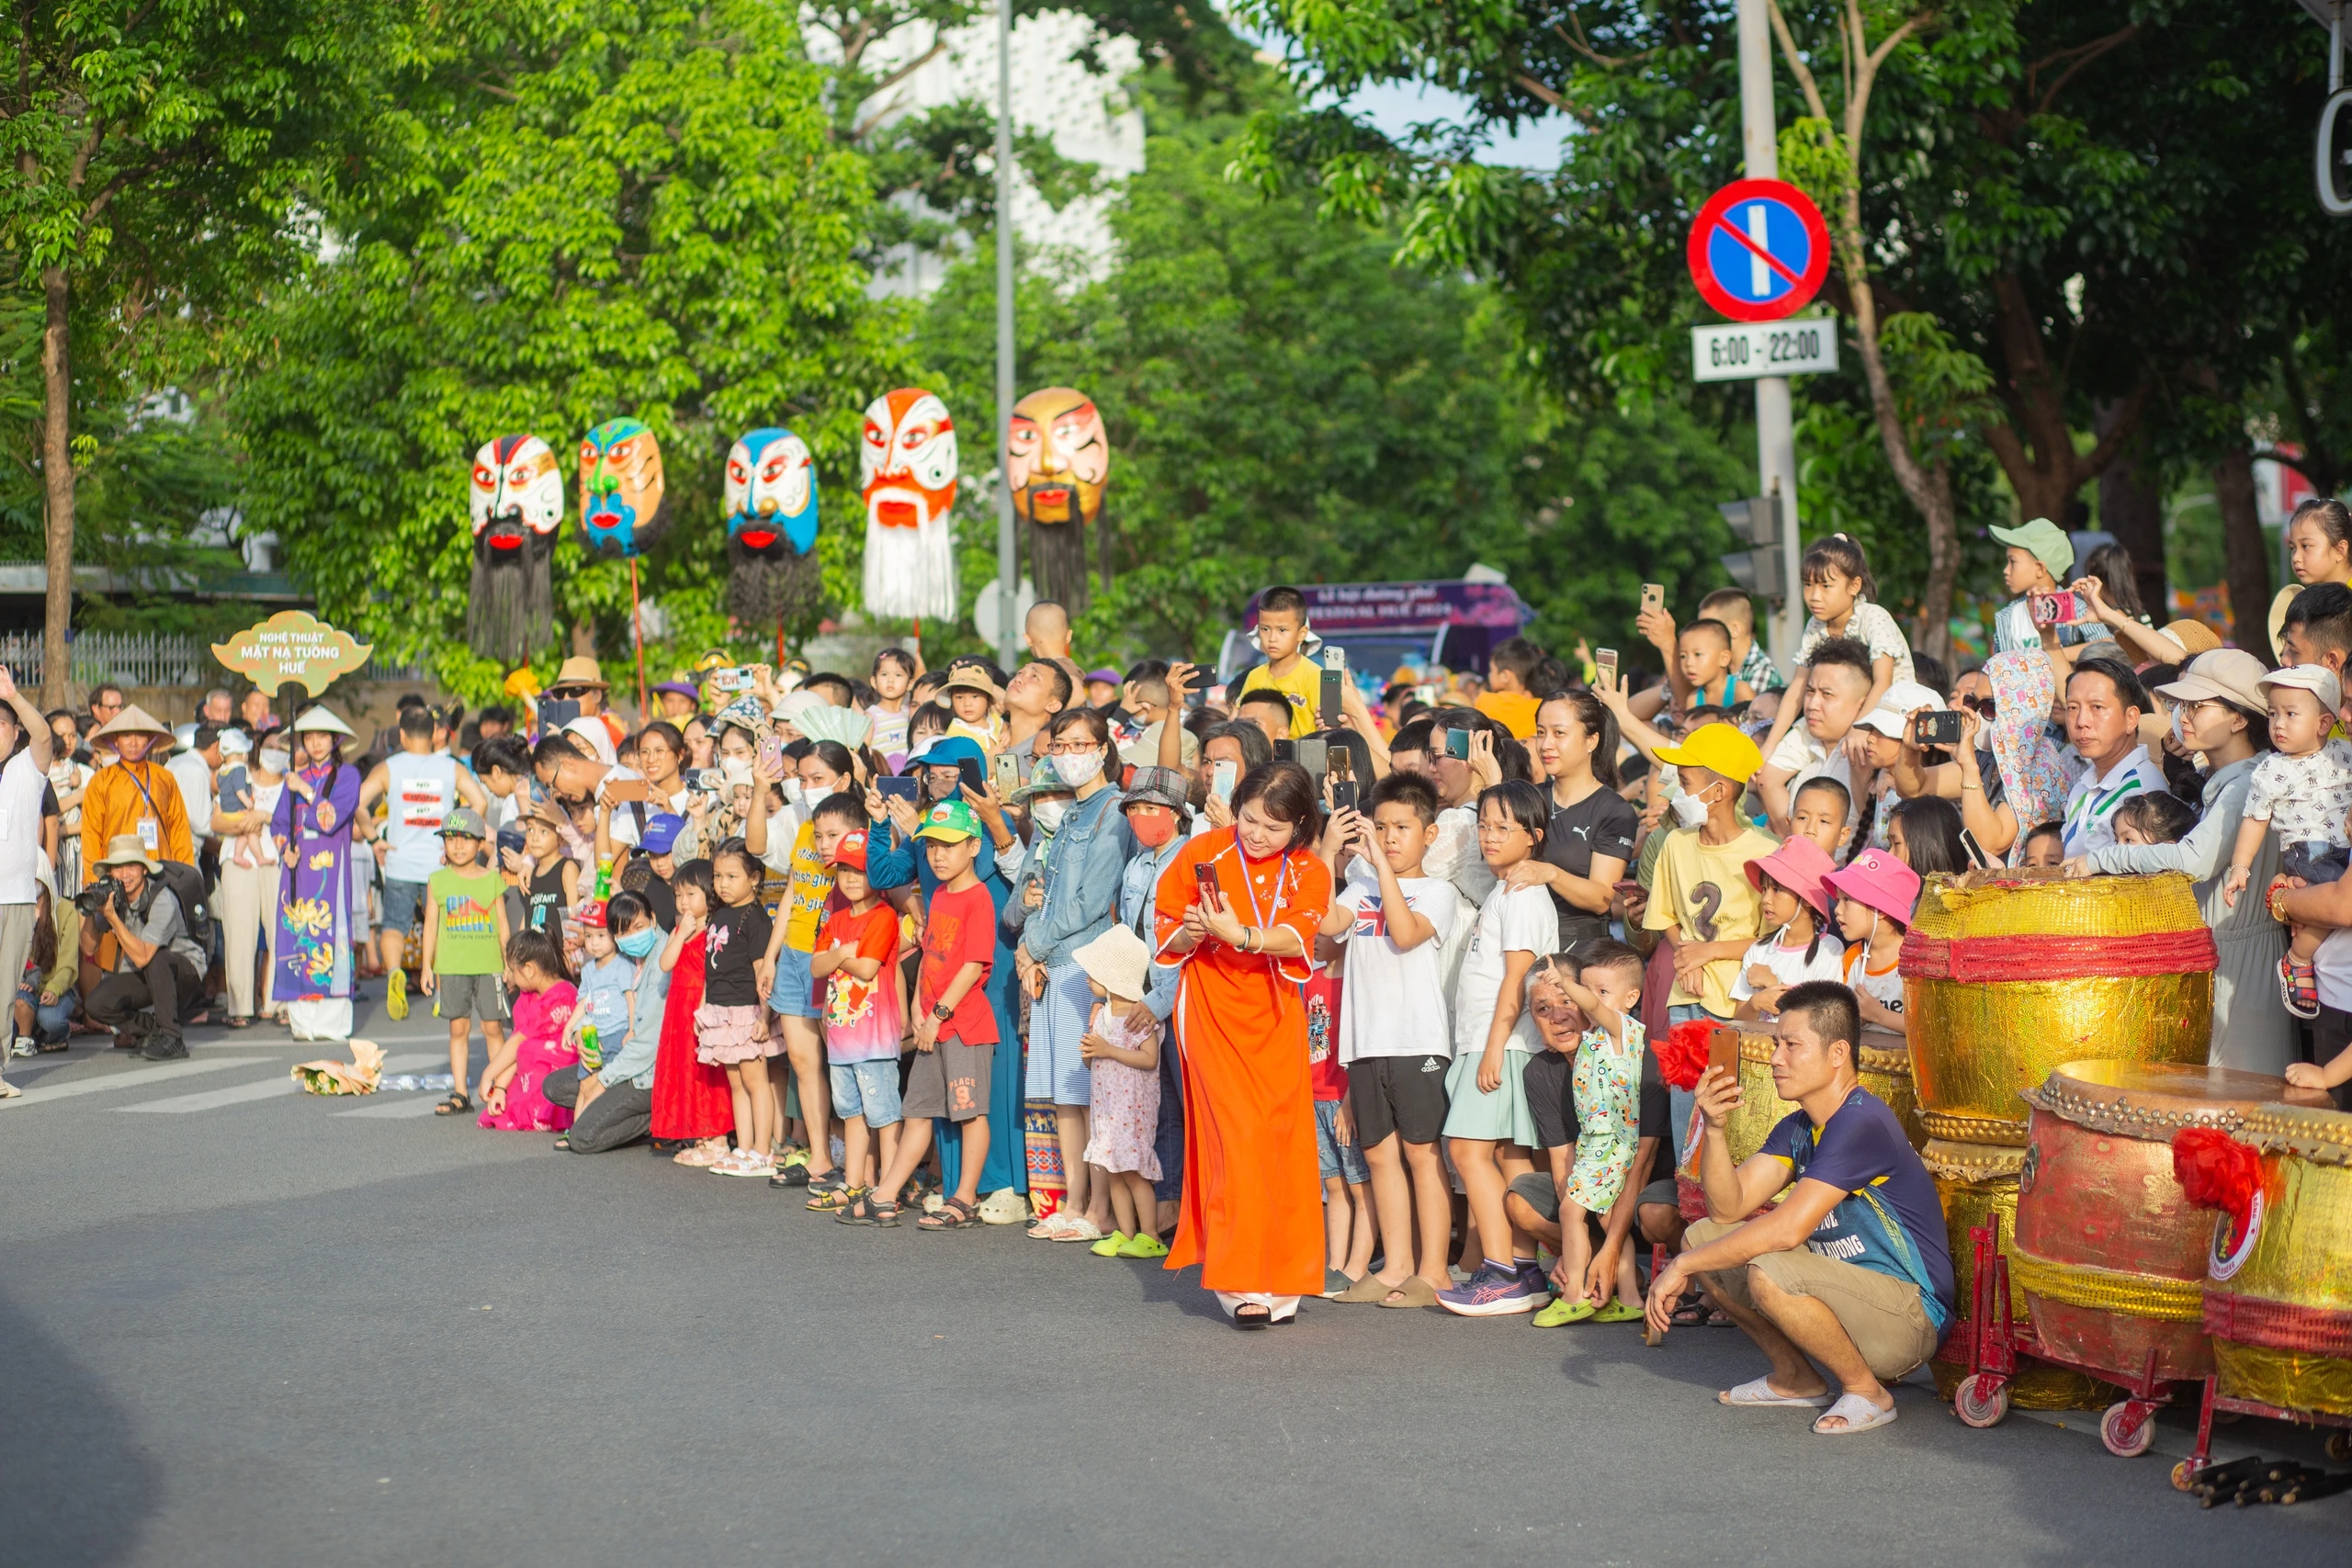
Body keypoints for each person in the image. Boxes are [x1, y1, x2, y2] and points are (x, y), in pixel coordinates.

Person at [1647, 982, 1954, 1436]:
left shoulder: (1860, 1122)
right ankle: (1795, 1378)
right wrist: (1714, 1129)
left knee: (1767, 1269)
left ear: (1837, 1054)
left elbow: (1786, 1231)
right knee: (1703, 1236)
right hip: (1850, 1299)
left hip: (1909, 1317)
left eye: (1792, 1045)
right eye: (1776, 1044)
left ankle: (1869, 1393)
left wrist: (1682, 1267)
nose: (1776, 1058)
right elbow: (1728, 1207)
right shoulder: (1799, 1127)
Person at [1153, 761, 1332, 1326]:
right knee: (1236, 1141)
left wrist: (1242, 936)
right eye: (1250, 819)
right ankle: (1239, 1280)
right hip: (1210, 1010)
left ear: (1300, 826)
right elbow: (1164, 928)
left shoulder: (1309, 870)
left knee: (1281, 1144)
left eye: (1273, 828)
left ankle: (1285, 1277)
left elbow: (1296, 937)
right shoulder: (1202, 850)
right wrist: (1193, 930)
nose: (1256, 834)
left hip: (1278, 1015)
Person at [2074, 651, 2290, 1074]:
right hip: (2230, 953)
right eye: (2181, 706)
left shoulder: (2246, 782)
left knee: (2241, 1109)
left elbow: (2194, 861)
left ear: (2239, 719)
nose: (2182, 717)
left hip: (2243, 966)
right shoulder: (2233, 778)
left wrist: (2102, 860)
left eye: (2197, 706)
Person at [1316, 772, 1461, 1308]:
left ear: (1430, 834)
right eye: (1380, 826)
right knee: (1378, 1157)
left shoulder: (1440, 891)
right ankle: (1396, 1264)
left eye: (1402, 826)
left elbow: (1404, 933)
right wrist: (1328, 853)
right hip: (1364, 1042)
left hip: (1418, 1041)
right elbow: (1325, 927)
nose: (1390, 836)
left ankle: (1434, 1271)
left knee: (1422, 1155)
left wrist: (1380, 869)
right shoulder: (1359, 885)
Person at [851, 797, 1002, 1231]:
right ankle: (884, 1195)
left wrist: (937, 1013)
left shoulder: (978, 898)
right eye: (932, 845)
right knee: (917, 1112)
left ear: (974, 847)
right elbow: (931, 957)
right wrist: (919, 1006)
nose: (938, 854)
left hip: (964, 1026)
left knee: (970, 1113)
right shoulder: (936, 896)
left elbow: (973, 965)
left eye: (949, 845)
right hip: (932, 1023)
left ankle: (965, 1198)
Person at [1436, 779, 1558, 1316]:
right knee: (1511, 1156)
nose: (1489, 836)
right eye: (1484, 825)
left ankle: (1501, 1270)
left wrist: (1492, 1047)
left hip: (1501, 1043)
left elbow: (1518, 978)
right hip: (1497, 1042)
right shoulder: (1504, 889)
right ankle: (1525, 1270)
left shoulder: (1525, 894)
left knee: (1467, 1151)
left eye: (1503, 827)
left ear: (1533, 837)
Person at [1013, 709, 1133, 1240]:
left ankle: (1101, 1211)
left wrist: (1033, 942)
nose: (1069, 753)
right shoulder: (1067, 820)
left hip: (1090, 968)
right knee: (1066, 1096)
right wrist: (1028, 946)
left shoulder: (1114, 812)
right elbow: (1036, 894)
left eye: (1080, 743)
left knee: (1092, 1094)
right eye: (1059, 744)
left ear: (1103, 749)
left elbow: (1092, 900)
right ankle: (1075, 1202)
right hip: (1052, 966)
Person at [1528, 944, 1650, 1325]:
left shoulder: (1621, 1030)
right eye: (1587, 989)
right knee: (1605, 1218)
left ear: (1630, 999)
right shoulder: (1591, 1039)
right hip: (1595, 1144)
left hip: (1612, 1143)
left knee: (1571, 1210)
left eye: (1601, 992)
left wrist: (1565, 982)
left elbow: (1595, 1009)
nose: (1591, 1001)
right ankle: (1629, 1298)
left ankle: (1574, 1293)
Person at [2222, 664, 2352, 1018]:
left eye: (2290, 714)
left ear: (2324, 723)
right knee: (2328, 902)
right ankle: (2298, 958)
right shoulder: (2272, 769)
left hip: (2345, 847)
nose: (2278, 724)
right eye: (2273, 714)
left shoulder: (2344, 753)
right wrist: (2240, 867)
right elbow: (2255, 819)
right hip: (2308, 851)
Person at [359, 705, 488, 1021]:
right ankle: (442, 993)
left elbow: (359, 803)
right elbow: (480, 801)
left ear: (401, 734)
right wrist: (461, 840)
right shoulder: (451, 768)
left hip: (399, 860)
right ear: (434, 733)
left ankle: (393, 972)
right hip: (440, 861)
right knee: (443, 926)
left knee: (394, 925)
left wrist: (374, 839)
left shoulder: (388, 768)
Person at [808, 829, 903, 1209]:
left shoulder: (883, 916)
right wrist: (840, 952)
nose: (849, 878)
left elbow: (865, 968)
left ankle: (888, 1188)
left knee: (884, 1115)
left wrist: (838, 954)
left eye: (860, 870)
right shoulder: (837, 919)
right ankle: (855, 1183)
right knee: (851, 1112)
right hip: (841, 1041)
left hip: (875, 1039)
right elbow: (816, 967)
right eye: (843, 870)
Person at [544, 889, 668, 1153]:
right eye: (623, 931)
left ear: (653, 920)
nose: (632, 936)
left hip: (647, 1073)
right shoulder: (617, 960)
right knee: (554, 1087)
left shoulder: (660, 964)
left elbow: (644, 1045)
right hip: (619, 1058)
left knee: (583, 1138)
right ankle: (611, 1110)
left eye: (638, 927)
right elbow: (589, 1003)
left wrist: (603, 1081)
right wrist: (578, 1034)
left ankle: (656, 1119)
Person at [1070, 924, 1168, 1259]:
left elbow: (1149, 1058)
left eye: (1093, 974)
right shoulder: (1101, 1014)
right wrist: (1090, 1055)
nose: (1087, 980)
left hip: (1132, 1109)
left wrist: (1107, 1050)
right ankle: (1125, 1232)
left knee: (1134, 1171)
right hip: (1106, 1109)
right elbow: (1093, 1063)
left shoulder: (1141, 1017)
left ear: (1113, 977)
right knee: (1112, 1169)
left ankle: (1150, 1234)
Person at [270, 707, 364, 1043]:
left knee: (331, 934)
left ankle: (332, 1020)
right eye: (308, 737)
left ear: (335, 739)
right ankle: (301, 1020)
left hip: (330, 868)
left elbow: (331, 819)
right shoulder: (293, 778)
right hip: (297, 870)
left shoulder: (348, 775)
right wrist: (285, 850)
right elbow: (279, 823)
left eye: (322, 736)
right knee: (295, 934)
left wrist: (306, 791)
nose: (315, 743)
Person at [1521, 691, 1636, 954]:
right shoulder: (1530, 798)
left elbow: (1602, 898)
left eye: (1559, 733)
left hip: (1579, 952)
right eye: (1541, 732)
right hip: (1523, 940)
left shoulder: (1614, 811)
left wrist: (1550, 873)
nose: (1545, 744)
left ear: (1591, 741)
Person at [79, 834, 206, 1058]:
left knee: (157, 958)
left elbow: (144, 957)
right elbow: (89, 948)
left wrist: (112, 918)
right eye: (118, 868)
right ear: (110, 873)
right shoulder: (115, 898)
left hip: (185, 973)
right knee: (96, 1003)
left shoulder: (162, 899)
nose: (125, 874)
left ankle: (172, 1037)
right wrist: (91, 911)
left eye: (131, 866)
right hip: (149, 974)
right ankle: (152, 1030)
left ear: (144, 869)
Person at [420, 807, 511, 1116]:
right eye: (450, 839)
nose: (457, 846)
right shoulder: (437, 881)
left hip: (490, 965)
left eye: (465, 839)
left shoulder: (492, 879)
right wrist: (426, 966)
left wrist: (508, 962)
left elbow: (502, 924)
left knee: (492, 1027)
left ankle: (501, 1087)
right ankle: (461, 1093)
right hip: (452, 965)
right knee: (458, 1028)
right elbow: (430, 925)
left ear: (480, 843)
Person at [697, 844, 779, 1178]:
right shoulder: (719, 913)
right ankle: (744, 1148)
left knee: (755, 1081)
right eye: (718, 876)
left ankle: (763, 1151)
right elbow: (709, 967)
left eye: (732, 876)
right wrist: (704, 1009)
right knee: (736, 1082)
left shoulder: (756, 919)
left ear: (755, 878)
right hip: (720, 1009)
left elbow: (764, 974)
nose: (723, 884)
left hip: (747, 1011)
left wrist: (764, 1016)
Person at [650, 859, 732, 1165]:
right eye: (678, 895)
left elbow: (713, 973)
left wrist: (704, 1008)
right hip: (678, 1009)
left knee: (707, 1072)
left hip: (700, 1005)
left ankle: (718, 1138)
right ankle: (700, 1135)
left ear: (709, 893)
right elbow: (665, 963)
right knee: (685, 1070)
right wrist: (681, 932)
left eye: (690, 894)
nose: (683, 901)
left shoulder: (715, 927)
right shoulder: (681, 927)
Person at [0, 666, 56, 1083]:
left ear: (14, 731)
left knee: (4, 992)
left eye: (0, 724)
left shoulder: (25, 769)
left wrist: (14, 695)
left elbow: (45, 737)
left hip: (16, 897)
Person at [1731, 838, 1845, 1022]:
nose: (1765, 899)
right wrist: (1755, 1003)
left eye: (1776, 889)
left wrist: (1774, 983)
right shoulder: (1758, 950)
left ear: (1807, 899)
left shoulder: (1829, 949)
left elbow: (1824, 1019)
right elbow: (1739, 1022)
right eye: (1765, 889)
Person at [2061, 658, 2165, 858]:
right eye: (2073, 708)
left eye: (2097, 707)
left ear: (2131, 718)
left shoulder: (2141, 793)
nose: (2082, 722)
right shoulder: (2084, 785)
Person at [477, 928, 577, 1132]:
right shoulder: (528, 996)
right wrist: (500, 1087)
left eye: (513, 970)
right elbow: (517, 1043)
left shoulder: (562, 995)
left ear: (529, 969)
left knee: (531, 1049)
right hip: (530, 1075)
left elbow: (518, 1042)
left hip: (557, 1075)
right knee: (500, 1109)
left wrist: (488, 1075)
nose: (510, 976)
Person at [80, 705, 192, 884]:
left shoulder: (164, 778)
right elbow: (91, 835)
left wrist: (185, 876)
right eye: (126, 736)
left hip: (161, 872)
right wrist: (95, 881)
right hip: (117, 875)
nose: (133, 742)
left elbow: (179, 831)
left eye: (139, 735)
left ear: (149, 739)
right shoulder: (101, 781)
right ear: (115, 740)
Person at [1823, 850, 1918, 1038]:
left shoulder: (1916, 961)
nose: (1838, 910)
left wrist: (1879, 1015)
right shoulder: (1852, 957)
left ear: (1881, 909)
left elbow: (1930, 1029)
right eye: (1838, 900)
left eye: (1847, 900)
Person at [1237, 585, 1328, 739]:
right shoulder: (1254, 677)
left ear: (1301, 633)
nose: (1272, 638)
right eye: (1265, 629)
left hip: (1305, 760)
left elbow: (1326, 730)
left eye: (1282, 630)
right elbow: (1241, 722)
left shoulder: (1315, 676)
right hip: (1262, 760)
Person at [2268, 496, 2352, 662]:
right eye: (2293, 548)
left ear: (2340, 549)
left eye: (2306, 546)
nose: (2296, 557)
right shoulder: (2305, 604)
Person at [8, 872, 75, 1066]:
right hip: (26, 989)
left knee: (50, 1020)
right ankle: (30, 1034)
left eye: (34, 878)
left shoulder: (65, 910)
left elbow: (68, 963)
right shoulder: (17, 910)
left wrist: (54, 989)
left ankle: (58, 1034)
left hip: (58, 989)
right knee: (11, 1027)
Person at [1988, 516, 2075, 656]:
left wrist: (2049, 656)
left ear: (2040, 568)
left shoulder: (2075, 609)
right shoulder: (2007, 617)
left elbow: (2106, 646)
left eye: (2013, 561)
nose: (2006, 570)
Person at [547, 655, 620, 765]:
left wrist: (563, 747)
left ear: (597, 695)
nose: (566, 698)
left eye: (575, 691)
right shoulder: (562, 731)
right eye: (560, 693)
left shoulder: (612, 732)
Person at [1474, 637, 1544, 739]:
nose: (1489, 675)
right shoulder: (1540, 706)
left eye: (1492, 670)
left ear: (1505, 676)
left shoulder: (1485, 700)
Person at [866, 648, 918, 768]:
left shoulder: (909, 713)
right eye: (884, 674)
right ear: (874, 682)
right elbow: (863, 751)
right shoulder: (871, 716)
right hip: (881, 777)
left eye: (898, 675)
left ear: (910, 683)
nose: (890, 680)